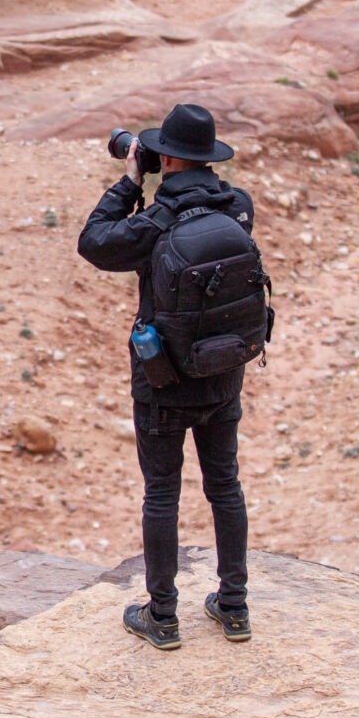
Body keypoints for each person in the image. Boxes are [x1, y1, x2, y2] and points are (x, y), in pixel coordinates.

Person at [76, 103, 255, 651]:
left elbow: (93, 241)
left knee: (162, 494)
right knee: (224, 485)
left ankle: (163, 616)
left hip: (162, 380)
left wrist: (131, 180)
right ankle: (234, 607)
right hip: (223, 372)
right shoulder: (239, 208)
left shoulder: (153, 225)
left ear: (166, 156)